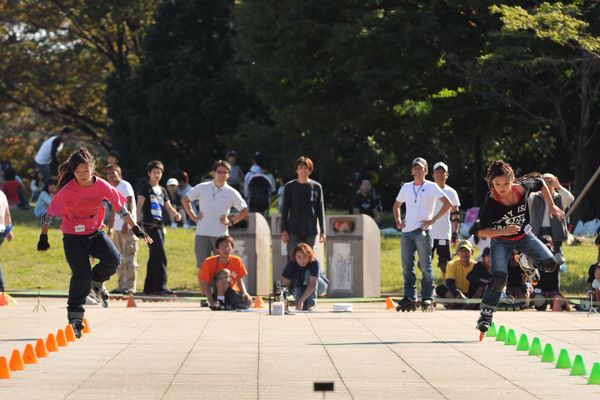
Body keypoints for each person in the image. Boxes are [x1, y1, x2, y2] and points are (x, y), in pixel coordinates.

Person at [37, 148, 151, 338]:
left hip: (95, 232)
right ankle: (75, 317)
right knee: (80, 275)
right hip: (73, 236)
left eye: (86, 171)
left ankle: (96, 282)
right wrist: (43, 236)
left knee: (114, 259)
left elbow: (121, 209)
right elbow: (49, 215)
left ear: (92, 168)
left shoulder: (102, 186)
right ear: (73, 172)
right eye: (78, 172)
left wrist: (136, 228)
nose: (82, 175)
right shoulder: (67, 190)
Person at [475, 160, 565, 334]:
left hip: (524, 236)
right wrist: (504, 231)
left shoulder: (523, 187)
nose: (502, 188)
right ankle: (486, 315)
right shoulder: (492, 201)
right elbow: (481, 232)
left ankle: (525, 261)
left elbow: (541, 182)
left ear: (512, 180)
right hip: (501, 240)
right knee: (499, 279)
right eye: (497, 184)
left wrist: (551, 205)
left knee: (551, 264)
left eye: (506, 183)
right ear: (491, 183)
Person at [393, 157, 452, 312]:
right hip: (407, 232)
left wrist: (433, 220)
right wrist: (398, 222)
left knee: (426, 266)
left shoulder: (431, 186)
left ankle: (427, 297)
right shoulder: (406, 187)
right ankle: (410, 297)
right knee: (407, 267)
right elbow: (397, 205)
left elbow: (448, 203)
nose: (417, 170)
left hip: (423, 230)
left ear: (426, 171)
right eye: (415, 168)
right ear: (412, 170)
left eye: (420, 168)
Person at [182, 160, 249, 270]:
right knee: (203, 268)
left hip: (221, 235)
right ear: (214, 173)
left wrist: (231, 222)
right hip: (202, 233)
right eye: (219, 172)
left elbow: (245, 210)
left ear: (228, 175)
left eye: (225, 172)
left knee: (222, 269)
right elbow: (185, 199)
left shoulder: (231, 192)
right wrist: (193, 216)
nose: (222, 175)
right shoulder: (203, 187)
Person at [137, 160, 182, 295]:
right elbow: (139, 207)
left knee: (154, 256)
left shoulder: (163, 190)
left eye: (159, 173)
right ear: (149, 173)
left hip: (160, 226)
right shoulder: (145, 188)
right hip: (150, 227)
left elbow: (168, 206)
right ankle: (161, 286)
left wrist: (176, 214)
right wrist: (138, 225)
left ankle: (149, 288)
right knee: (161, 255)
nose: (157, 175)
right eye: (154, 172)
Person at [280, 156, 326, 255]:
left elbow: (320, 210)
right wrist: (284, 230)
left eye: (306, 168)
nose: (303, 171)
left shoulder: (316, 187)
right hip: (293, 229)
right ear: (296, 170)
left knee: (308, 257)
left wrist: (323, 231)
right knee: (293, 257)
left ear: (310, 170)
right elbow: (284, 210)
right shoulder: (290, 186)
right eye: (300, 168)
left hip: (310, 230)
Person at [106, 164, 138, 295]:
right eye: (108, 174)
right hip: (118, 229)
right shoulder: (112, 189)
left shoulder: (125, 185)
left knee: (129, 257)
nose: (111, 176)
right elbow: (113, 210)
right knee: (119, 258)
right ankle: (121, 285)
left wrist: (126, 223)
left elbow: (130, 203)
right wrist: (111, 228)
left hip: (128, 228)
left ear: (119, 173)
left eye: (113, 173)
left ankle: (130, 287)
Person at [198, 235, 253, 310]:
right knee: (225, 272)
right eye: (223, 247)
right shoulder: (208, 262)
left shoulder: (237, 260)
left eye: (228, 246)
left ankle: (228, 304)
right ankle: (220, 301)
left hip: (230, 290)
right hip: (214, 292)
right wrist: (211, 301)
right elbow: (205, 284)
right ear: (217, 249)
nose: (226, 249)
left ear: (232, 248)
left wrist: (245, 293)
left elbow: (240, 280)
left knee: (247, 303)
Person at [528, 173, 574, 254]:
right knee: (538, 253)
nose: (547, 185)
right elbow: (526, 201)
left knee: (556, 254)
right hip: (538, 230)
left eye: (550, 182)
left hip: (555, 231)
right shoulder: (534, 196)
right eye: (544, 183)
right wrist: (535, 186)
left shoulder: (559, 197)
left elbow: (570, 199)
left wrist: (559, 187)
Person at [430, 162, 461, 280]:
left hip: (443, 232)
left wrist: (455, 233)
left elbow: (455, 214)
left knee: (445, 264)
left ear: (447, 175)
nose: (440, 175)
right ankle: (427, 287)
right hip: (428, 232)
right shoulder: (427, 189)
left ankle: (446, 287)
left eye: (442, 172)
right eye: (437, 172)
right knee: (424, 262)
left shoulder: (451, 192)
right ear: (432, 175)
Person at [282, 242, 329, 311]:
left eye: (305, 257)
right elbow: (286, 284)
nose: (302, 260)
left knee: (308, 273)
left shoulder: (314, 263)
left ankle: (312, 304)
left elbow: (312, 285)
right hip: (302, 286)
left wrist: (301, 301)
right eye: (299, 257)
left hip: (319, 285)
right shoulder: (291, 263)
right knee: (299, 306)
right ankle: (306, 302)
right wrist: (284, 302)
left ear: (309, 256)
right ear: (295, 257)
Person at [434, 240, 475, 308]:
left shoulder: (475, 265)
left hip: (470, 293)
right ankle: (460, 303)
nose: (464, 253)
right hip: (456, 293)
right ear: (457, 252)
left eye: (467, 251)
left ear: (472, 252)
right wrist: (458, 293)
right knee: (440, 288)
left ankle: (455, 303)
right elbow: (449, 283)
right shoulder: (451, 264)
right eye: (462, 251)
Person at [532, 236, 565, 311]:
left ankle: (553, 302)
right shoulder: (536, 256)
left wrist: (551, 251)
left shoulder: (555, 256)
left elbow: (562, 261)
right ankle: (543, 304)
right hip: (540, 290)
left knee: (560, 305)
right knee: (539, 305)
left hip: (553, 290)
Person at [0, 189, 14, 293]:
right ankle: (1, 287)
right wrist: (9, 231)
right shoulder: (2, 195)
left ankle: (1, 286)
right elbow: (7, 214)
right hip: (1, 231)